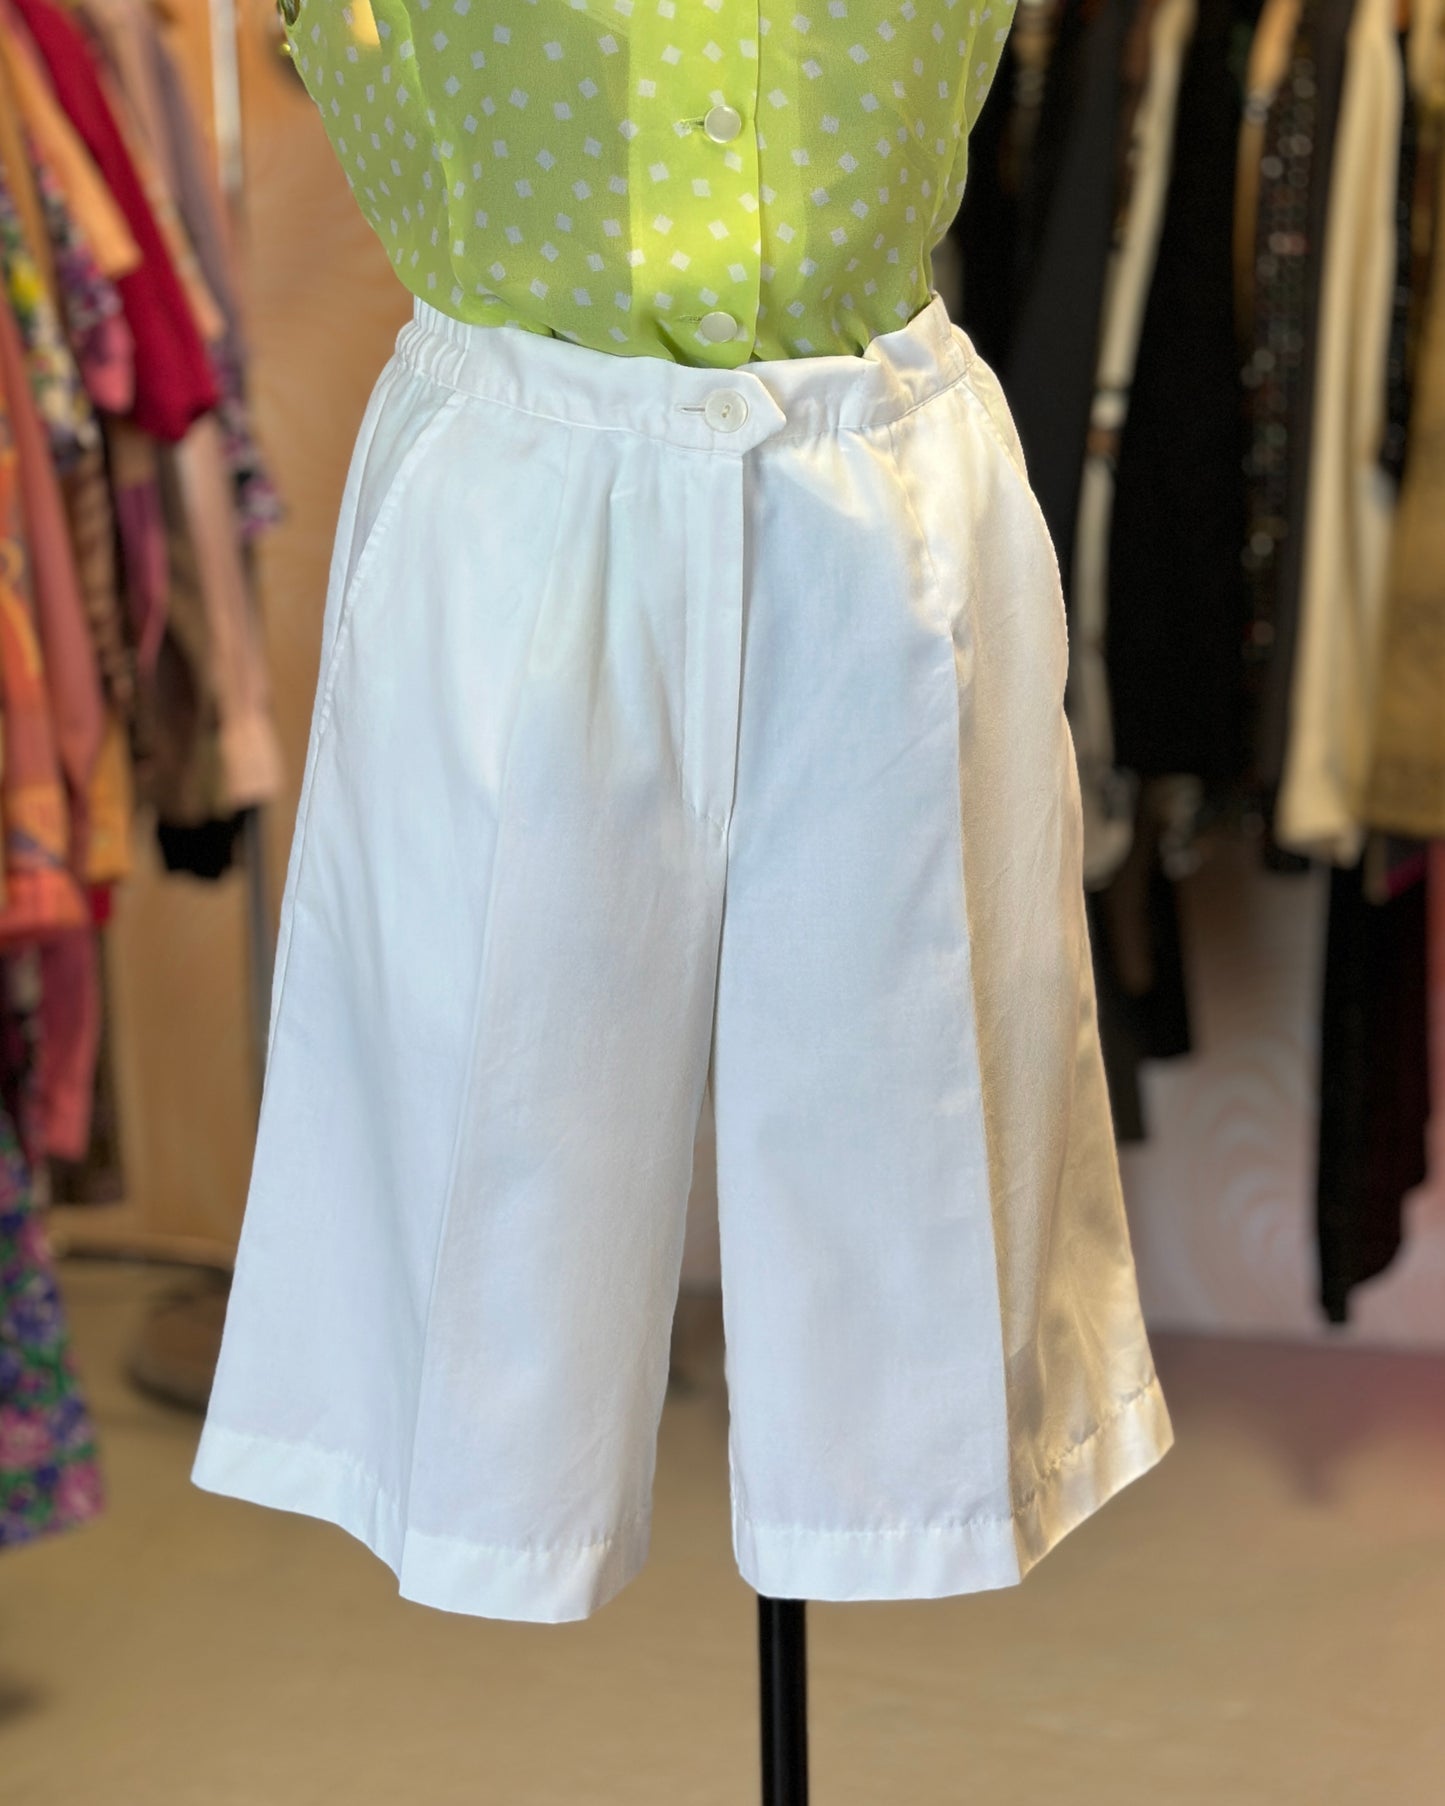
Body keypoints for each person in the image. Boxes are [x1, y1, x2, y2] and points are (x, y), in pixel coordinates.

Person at [192, 0, 1175, 1624]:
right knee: (484, 1177)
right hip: (516, 498)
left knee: (928, 1166)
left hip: (886, 492)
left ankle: (890, 1503)